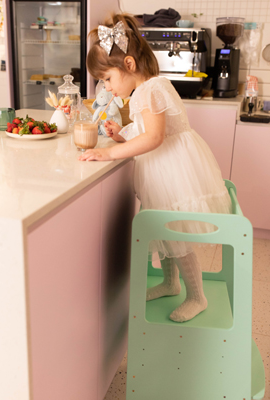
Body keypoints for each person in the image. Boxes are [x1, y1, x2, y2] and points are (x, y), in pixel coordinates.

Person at [79, 13, 232, 322]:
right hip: (164, 167)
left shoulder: (150, 91)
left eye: (107, 78)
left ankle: (197, 296)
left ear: (129, 66)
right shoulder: (146, 90)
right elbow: (145, 131)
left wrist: (110, 154)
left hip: (172, 168)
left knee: (174, 231)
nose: (105, 87)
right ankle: (170, 281)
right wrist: (121, 135)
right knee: (164, 229)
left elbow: (155, 137)